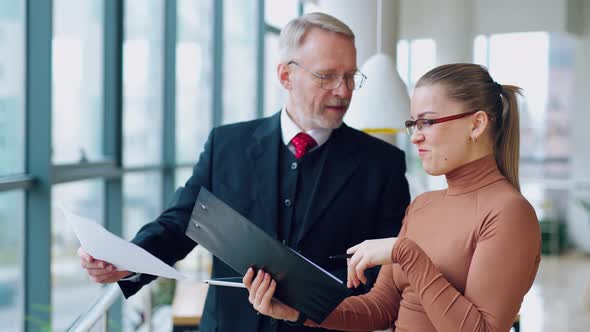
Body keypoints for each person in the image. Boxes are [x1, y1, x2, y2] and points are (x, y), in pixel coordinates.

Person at [77, 12, 411, 332]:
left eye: (351, 76)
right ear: (285, 76)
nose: (344, 90)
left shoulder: (383, 165)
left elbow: (387, 273)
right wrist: (127, 261)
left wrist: (308, 303)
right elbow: (180, 223)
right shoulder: (226, 145)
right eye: (327, 76)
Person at [244, 63, 542, 332]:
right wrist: (297, 311)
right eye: (413, 124)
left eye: (428, 122)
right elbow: (379, 309)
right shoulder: (423, 206)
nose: (414, 136)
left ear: (476, 124)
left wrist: (407, 253)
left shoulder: (509, 213)